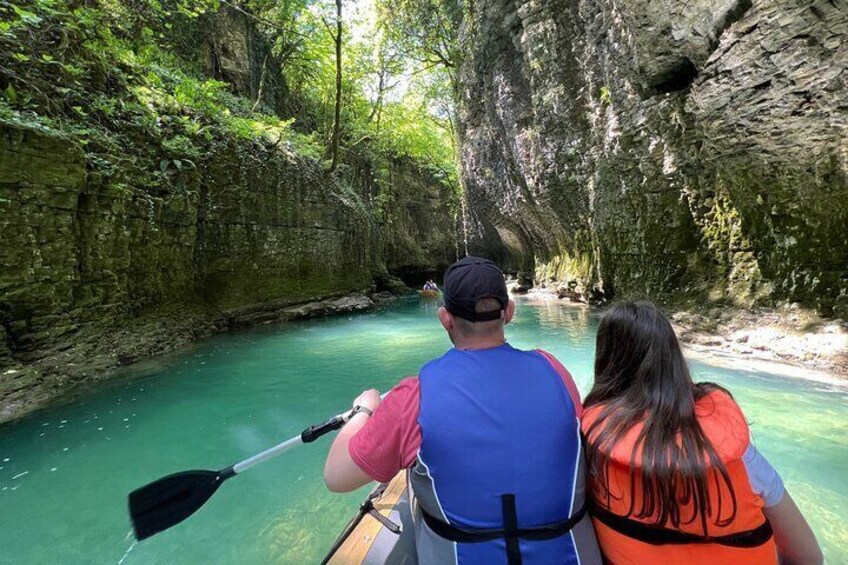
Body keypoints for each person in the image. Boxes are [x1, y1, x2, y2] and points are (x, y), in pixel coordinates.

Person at [324, 256, 601, 564]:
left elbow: (336, 477)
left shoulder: (414, 395)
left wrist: (364, 410)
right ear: (508, 312)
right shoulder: (555, 370)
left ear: (445, 318)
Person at [581, 301, 823, 565]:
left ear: (605, 362)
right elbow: (808, 558)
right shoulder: (738, 456)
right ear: (673, 358)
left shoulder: (590, 447)